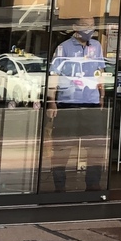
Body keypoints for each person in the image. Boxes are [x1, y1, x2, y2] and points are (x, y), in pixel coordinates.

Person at [47, 17, 107, 192]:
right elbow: (54, 75)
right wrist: (51, 101)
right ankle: (60, 186)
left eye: (92, 25)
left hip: (91, 103)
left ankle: (93, 184)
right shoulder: (64, 47)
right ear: (75, 27)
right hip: (68, 104)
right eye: (85, 25)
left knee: (95, 146)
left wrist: (102, 95)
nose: (89, 28)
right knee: (63, 147)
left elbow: (100, 72)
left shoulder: (96, 46)